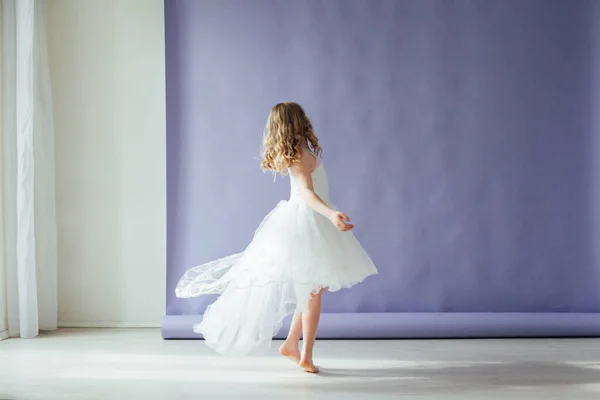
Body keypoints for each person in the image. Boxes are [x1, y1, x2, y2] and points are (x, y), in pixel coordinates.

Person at [176, 102, 378, 373]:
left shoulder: (300, 153)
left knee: (312, 288)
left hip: (306, 222)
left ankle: (292, 344)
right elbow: (306, 192)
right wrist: (331, 214)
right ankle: (305, 354)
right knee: (313, 291)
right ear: (299, 122)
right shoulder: (301, 156)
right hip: (306, 223)